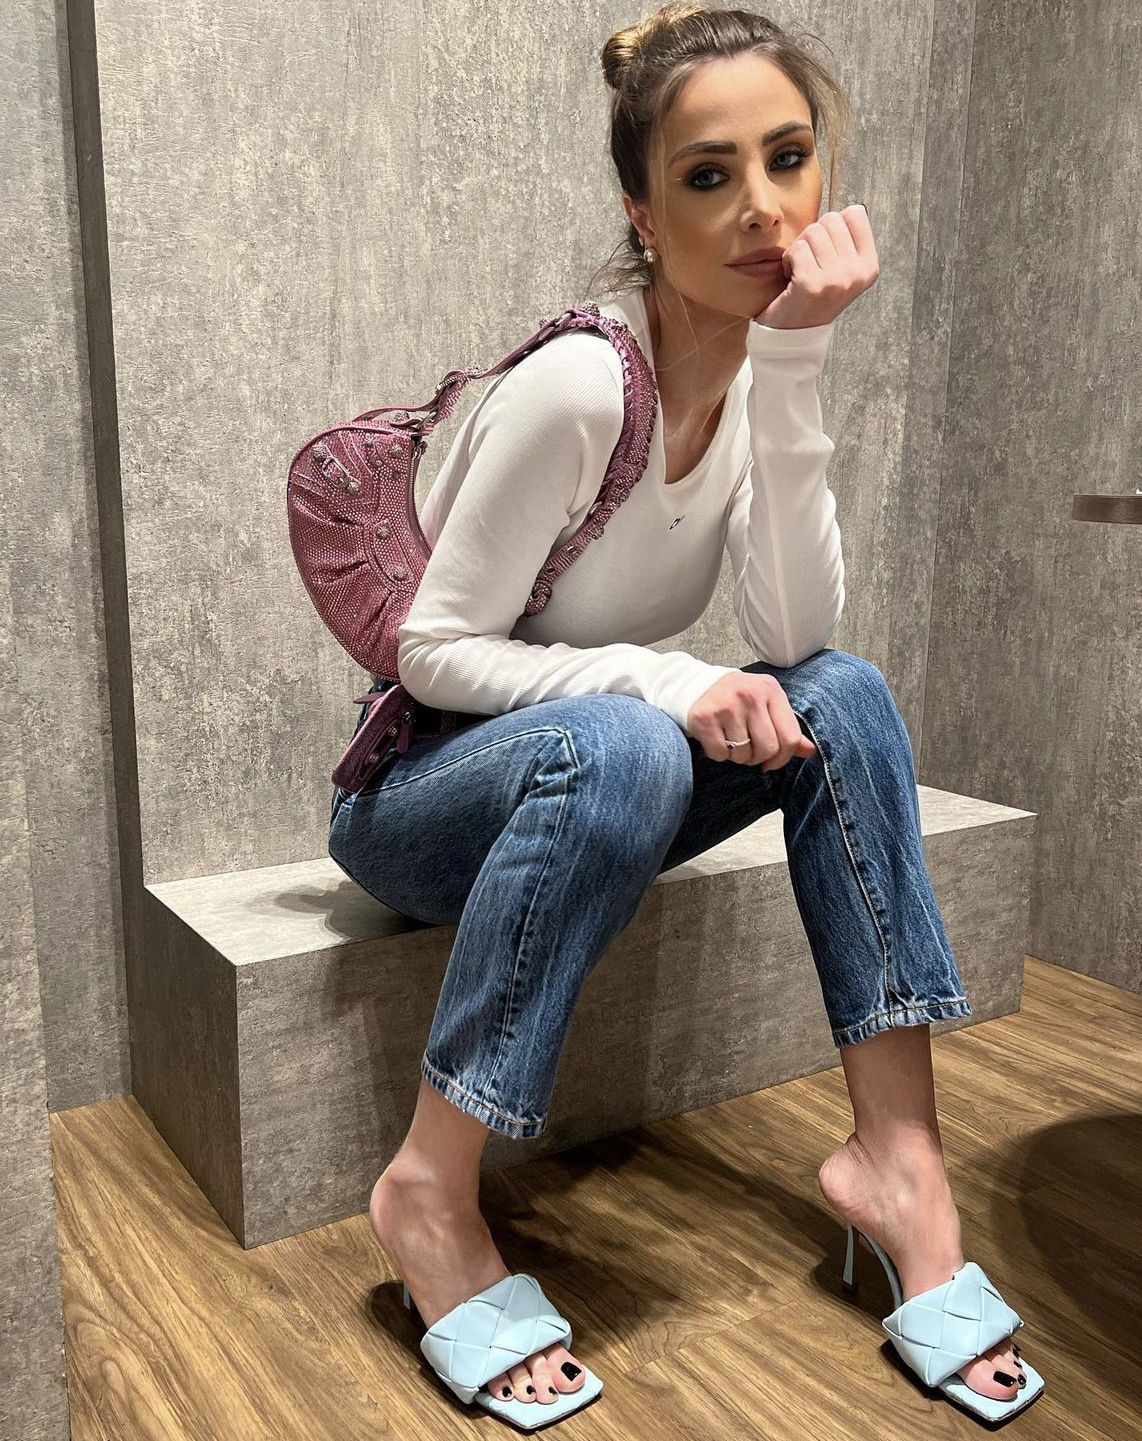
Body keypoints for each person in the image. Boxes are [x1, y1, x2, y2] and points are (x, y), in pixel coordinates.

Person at [328, 2, 1036, 1426]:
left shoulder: (757, 371)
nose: (764, 206)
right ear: (643, 215)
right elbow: (431, 653)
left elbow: (794, 642)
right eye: (710, 175)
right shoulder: (583, 383)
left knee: (844, 693)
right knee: (628, 736)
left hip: (598, 780)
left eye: (790, 157)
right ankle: (429, 1188)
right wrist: (665, 683)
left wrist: (796, 364)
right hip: (421, 802)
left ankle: (899, 1162)